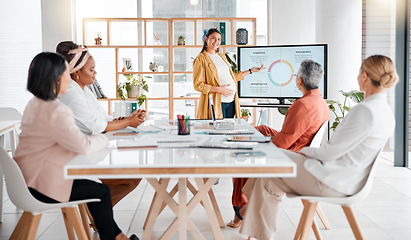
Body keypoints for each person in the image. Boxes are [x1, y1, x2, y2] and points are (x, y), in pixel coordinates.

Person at [239, 55, 399, 240]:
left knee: (273, 163)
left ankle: (248, 216)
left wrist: (303, 152)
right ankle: (250, 217)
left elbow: (329, 152)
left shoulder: (364, 111)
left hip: (334, 181)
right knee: (271, 178)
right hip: (351, 180)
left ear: (364, 76)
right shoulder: (385, 112)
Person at [14, 52, 139, 240]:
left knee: (95, 186)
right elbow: (84, 146)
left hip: (25, 183)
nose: (70, 77)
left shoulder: (34, 104)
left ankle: (119, 237)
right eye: (66, 73)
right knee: (102, 192)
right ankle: (114, 238)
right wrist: (106, 139)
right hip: (42, 187)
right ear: (56, 78)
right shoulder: (56, 109)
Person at [229, 59, 329, 228]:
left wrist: (262, 144)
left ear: (299, 81)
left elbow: (282, 144)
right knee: (261, 129)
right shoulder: (322, 103)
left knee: (244, 151)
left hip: (292, 154)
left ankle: (240, 209)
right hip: (301, 147)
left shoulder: (303, 106)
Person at [56, 41, 142, 207]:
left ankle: (97, 211)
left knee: (132, 176)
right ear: (76, 72)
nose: (95, 73)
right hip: (72, 160)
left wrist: (126, 119)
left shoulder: (83, 90)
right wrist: (128, 122)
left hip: (84, 152)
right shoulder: (71, 93)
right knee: (131, 176)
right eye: (91, 69)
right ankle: (97, 211)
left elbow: (102, 118)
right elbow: (97, 126)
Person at [193, 28, 264, 119]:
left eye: (219, 39)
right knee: (219, 131)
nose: (216, 41)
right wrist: (219, 90)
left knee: (229, 131)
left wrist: (251, 71)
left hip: (231, 102)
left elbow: (232, 77)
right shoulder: (201, 59)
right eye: (213, 38)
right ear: (206, 39)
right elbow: (198, 85)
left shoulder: (221, 56)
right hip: (217, 102)